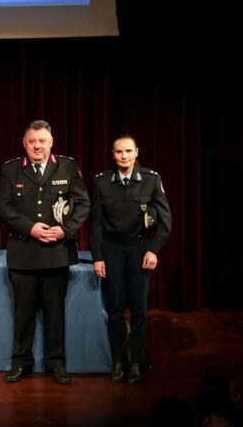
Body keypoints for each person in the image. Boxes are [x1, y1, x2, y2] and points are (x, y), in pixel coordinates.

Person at [0, 119, 90, 384]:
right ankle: (21, 362)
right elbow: (3, 207)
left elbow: (83, 204)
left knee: (54, 314)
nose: (37, 146)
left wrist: (65, 230)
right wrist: (30, 228)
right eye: (32, 141)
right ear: (24, 144)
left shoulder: (68, 166)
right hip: (24, 252)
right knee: (23, 314)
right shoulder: (11, 169)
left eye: (42, 141)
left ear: (51, 143)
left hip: (56, 251)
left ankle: (56, 363)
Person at [90, 134, 171, 384]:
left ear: (136, 152)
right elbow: (96, 224)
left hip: (140, 248)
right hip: (112, 249)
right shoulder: (102, 182)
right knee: (114, 308)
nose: (123, 156)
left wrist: (153, 250)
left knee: (138, 309)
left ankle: (136, 360)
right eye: (118, 152)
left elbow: (166, 222)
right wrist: (98, 257)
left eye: (128, 151)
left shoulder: (151, 179)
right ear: (112, 155)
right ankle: (117, 360)